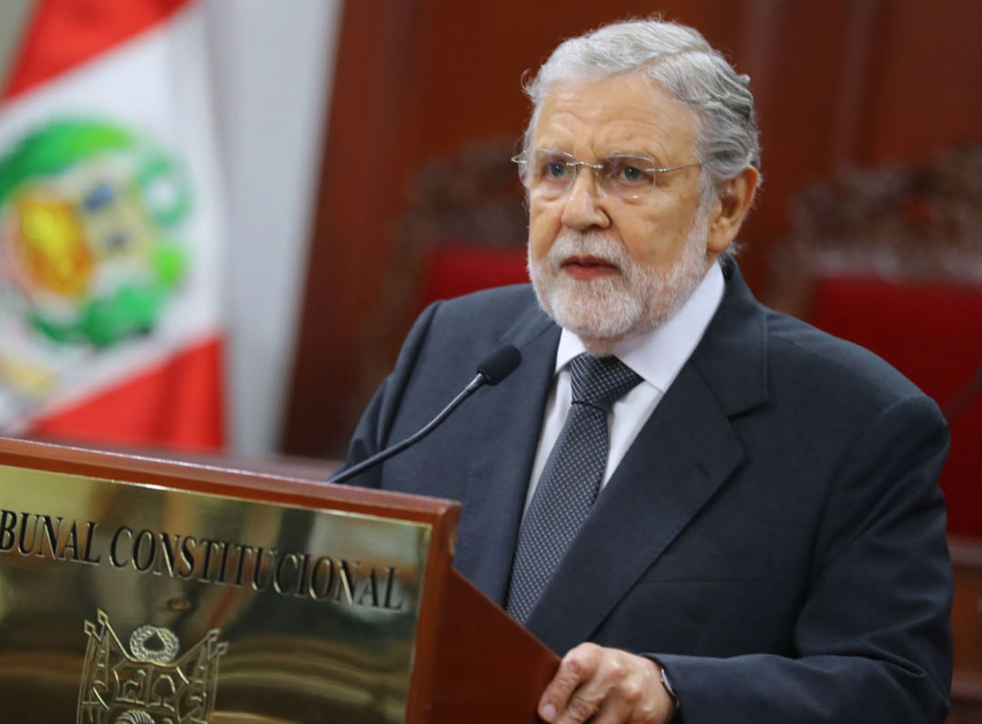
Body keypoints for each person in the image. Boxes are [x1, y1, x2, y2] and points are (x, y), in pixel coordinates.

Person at [341, 18, 953, 724]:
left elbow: (897, 690)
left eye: (629, 174)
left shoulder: (858, 421)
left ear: (727, 205)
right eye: (555, 170)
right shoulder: (453, 346)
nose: (579, 211)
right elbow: (334, 578)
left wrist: (677, 690)